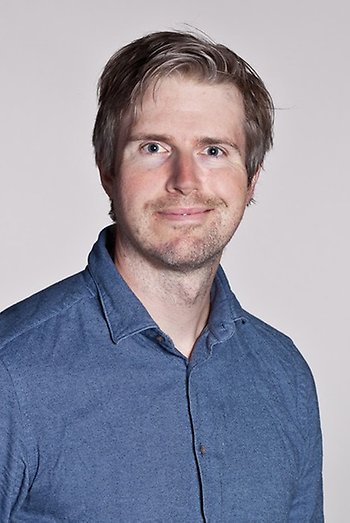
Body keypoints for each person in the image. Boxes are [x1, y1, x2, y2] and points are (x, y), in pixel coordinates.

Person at [0, 30, 323, 521]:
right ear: (107, 168)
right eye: (153, 147)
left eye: (214, 150)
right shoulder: (11, 374)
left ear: (251, 178)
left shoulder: (285, 375)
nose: (185, 180)